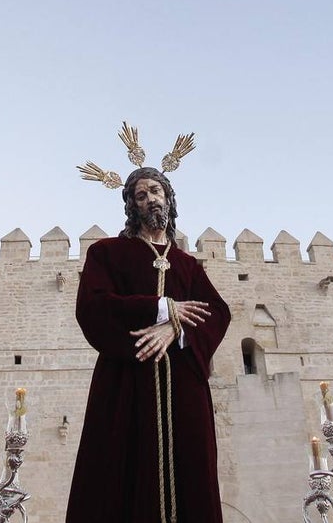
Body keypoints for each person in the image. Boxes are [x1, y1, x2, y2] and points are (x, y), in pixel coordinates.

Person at [66, 166, 231, 523]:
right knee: (120, 474)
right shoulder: (107, 253)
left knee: (191, 476)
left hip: (185, 391)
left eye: (156, 191)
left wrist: (175, 329)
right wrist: (161, 308)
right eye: (140, 195)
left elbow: (218, 312)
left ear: (169, 198)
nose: (150, 199)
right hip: (126, 385)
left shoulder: (188, 265)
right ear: (131, 206)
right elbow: (93, 307)